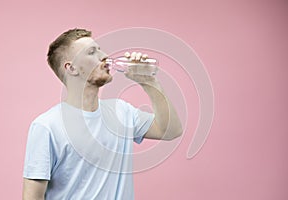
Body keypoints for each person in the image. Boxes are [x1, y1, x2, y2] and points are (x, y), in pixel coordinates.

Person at [22, 28, 183, 200]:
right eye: (92, 52)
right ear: (72, 68)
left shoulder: (122, 112)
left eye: (100, 49)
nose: (104, 55)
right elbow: (32, 196)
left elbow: (171, 131)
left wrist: (149, 82)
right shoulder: (47, 126)